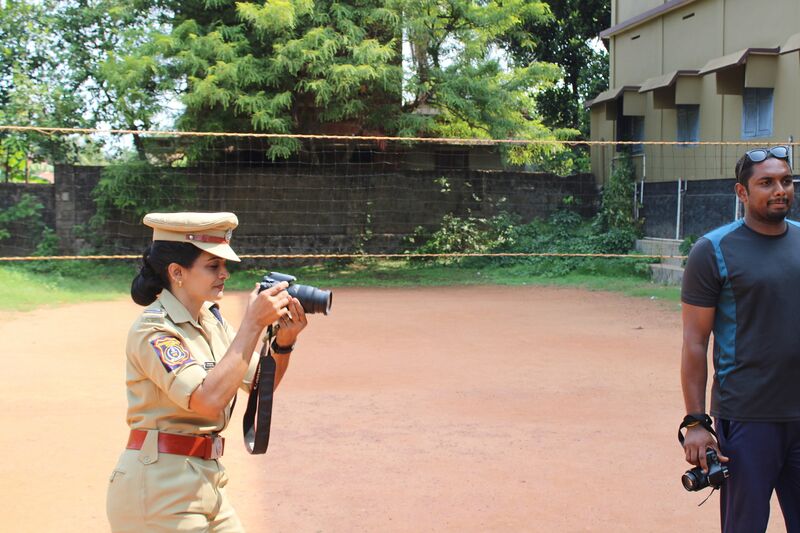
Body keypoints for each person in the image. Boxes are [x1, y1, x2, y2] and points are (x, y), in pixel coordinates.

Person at [106, 212, 308, 532]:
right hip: (161, 489)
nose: (225, 274)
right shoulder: (154, 329)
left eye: (224, 266)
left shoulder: (212, 322)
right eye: (213, 266)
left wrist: (283, 343)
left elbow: (260, 383)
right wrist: (253, 324)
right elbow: (206, 400)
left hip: (206, 481)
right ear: (177, 272)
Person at [680, 145, 800, 532]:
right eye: (766, 183)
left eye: (786, 181)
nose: (780, 189)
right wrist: (696, 422)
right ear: (742, 193)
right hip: (748, 418)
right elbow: (695, 342)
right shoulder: (712, 251)